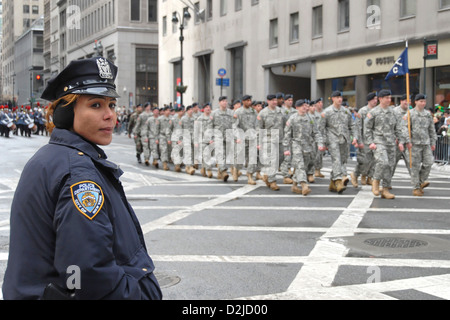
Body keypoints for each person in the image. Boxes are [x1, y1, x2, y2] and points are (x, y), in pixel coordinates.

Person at [2, 57, 162, 300]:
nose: (110, 115)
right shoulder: (79, 174)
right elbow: (87, 275)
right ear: (65, 112)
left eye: (111, 105)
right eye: (96, 105)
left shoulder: (54, 157)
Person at [364, 89, 409, 199]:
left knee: (390, 166)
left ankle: (385, 189)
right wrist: (370, 142)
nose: (389, 100)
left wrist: (401, 141)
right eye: (387, 98)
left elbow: (398, 128)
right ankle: (376, 180)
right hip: (379, 142)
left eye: (390, 98)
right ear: (380, 99)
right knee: (383, 162)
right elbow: (367, 128)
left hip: (391, 143)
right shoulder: (373, 112)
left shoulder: (394, 112)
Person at [284, 99, 325, 196]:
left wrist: (320, 143)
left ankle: (294, 185)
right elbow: (287, 134)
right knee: (300, 165)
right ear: (297, 107)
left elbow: (316, 132)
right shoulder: (292, 118)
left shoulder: (311, 118)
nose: (304, 107)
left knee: (303, 167)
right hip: (296, 144)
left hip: (308, 146)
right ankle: (304, 185)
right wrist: (286, 149)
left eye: (305, 106)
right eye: (301, 106)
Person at [320, 91, 359, 193]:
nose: (339, 99)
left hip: (344, 140)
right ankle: (338, 181)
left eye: (340, 97)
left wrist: (355, 137)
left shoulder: (346, 112)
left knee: (342, 160)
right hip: (332, 139)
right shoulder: (326, 112)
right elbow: (321, 129)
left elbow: (353, 125)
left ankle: (332, 184)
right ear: (332, 99)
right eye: (337, 97)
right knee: (336, 159)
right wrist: (322, 143)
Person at [408, 94, 437, 196]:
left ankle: (420, 181)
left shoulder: (428, 114)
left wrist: (433, 142)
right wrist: (407, 141)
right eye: (421, 101)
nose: (423, 103)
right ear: (415, 102)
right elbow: (405, 129)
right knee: (415, 166)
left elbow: (431, 130)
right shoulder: (410, 114)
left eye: (424, 101)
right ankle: (416, 187)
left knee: (429, 163)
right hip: (414, 144)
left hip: (426, 143)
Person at [257, 94, 286, 191]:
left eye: (275, 100)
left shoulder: (281, 111)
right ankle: (272, 181)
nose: (274, 102)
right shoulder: (263, 113)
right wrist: (259, 142)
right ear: (268, 101)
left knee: (281, 158)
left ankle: (267, 174)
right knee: (273, 160)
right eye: (272, 100)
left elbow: (285, 125)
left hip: (280, 139)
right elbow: (259, 129)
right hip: (268, 140)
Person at [350, 92, 378, 188]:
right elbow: (358, 126)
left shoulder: (377, 110)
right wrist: (359, 140)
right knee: (364, 161)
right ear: (369, 100)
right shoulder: (363, 111)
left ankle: (369, 177)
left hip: (375, 139)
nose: (376, 101)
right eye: (374, 99)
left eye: (376, 99)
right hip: (365, 140)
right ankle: (355, 174)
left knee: (374, 160)